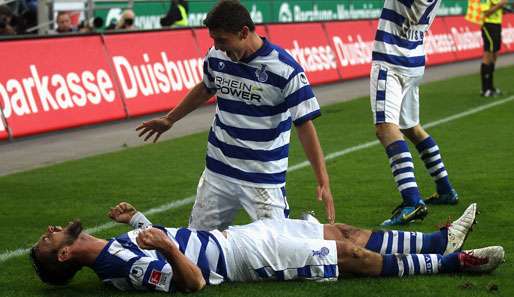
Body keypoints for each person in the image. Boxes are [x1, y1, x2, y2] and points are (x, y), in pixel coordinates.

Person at [137, 0, 335, 230]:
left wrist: (322, 179)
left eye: (222, 39)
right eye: (213, 40)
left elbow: (304, 125)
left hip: (263, 178)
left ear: (243, 32)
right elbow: (206, 87)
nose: (217, 46)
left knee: (277, 252)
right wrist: (170, 118)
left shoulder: (285, 69)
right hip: (218, 172)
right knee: (199, 247)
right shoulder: (216, 56)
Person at [30, 201, 505, 293]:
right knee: (349, 258)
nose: (53, 228)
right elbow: (190, 281)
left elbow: (155, 245)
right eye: (49, 238)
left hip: (239, 237)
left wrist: (137, 222)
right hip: (246, 259)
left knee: (340, 231)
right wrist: (169, 247)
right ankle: (453, 261)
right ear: (66, 255)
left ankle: (439, 238)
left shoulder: (114, 248)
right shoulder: (118, 268)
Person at [370, 0, 459, 226]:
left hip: (391, 60)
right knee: (411, 127)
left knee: (385, 128)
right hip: (414, 57)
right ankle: (445, 188)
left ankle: (412, 201)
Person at [480, 0, 508, 97]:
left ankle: (491, 87)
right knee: (488, 54)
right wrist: (499, 5)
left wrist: (502, 7)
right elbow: (485, 13)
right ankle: (485, 89)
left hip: (497, 25)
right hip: (488, 25)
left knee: (495, 55)